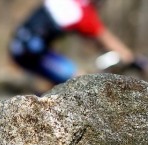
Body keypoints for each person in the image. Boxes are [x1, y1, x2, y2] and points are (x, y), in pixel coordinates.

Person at [9, 0, 145, 85]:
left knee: (66, 80)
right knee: (78, 80)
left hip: (21, 46)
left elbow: (92, 40)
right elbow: (106, 38)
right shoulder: (83, 14)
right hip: (31, 51)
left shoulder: (74, 5)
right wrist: (132, 58)